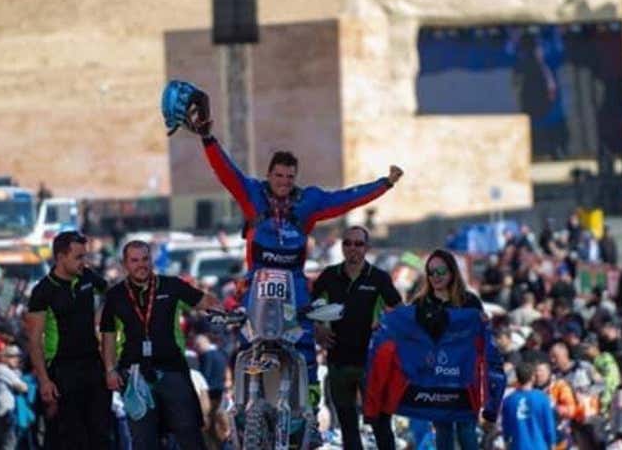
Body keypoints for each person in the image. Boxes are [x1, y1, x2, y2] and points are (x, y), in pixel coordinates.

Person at [188, 105, 402, 418]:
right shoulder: (252, 194)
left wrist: (384, 184)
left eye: (290, 176)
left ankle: (310, 412)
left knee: (303, 345)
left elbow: (345, 198)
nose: (284, 181)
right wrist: (207, 137)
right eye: (279, 175)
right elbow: (226, 172)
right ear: (269, 175)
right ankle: (241, 404)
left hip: (294, 288)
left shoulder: (309, 202)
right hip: (257, 289)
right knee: (246, 342)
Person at [100, 240, 220, 450]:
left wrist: (227, 307)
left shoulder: (171, 285)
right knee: (143, 441)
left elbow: (204, 301)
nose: (141, 265)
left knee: (190, 434)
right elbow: (108, 335)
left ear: (152, 260)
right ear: (125, 264)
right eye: (134, 260)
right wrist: (110, 369)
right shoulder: (115, 295)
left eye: (145, 259)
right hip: (135, 375)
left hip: (172, 369)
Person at [310, 225, 401, 450]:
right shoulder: (330, 275)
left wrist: (385, 325)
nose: (353, 248)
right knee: (348, 429)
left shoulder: (379, 278)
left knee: (380, 425)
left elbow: (400, 312)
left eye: (358, 244)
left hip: (370, 363)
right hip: (338, 361)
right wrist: (318, 328)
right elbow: (308, 308)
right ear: (342, 247)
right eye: (348, 243)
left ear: (367, 248)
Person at [25, 231, 112, 450]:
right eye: (79, 257)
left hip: (93, 365)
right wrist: (44, 380)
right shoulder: (43, 291)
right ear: (61, 257)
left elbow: (114, 296)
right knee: (71, 438)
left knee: (101, 435)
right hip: (63, 370)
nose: (85, 262)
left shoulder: (88, 278)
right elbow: (34, 341)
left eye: (86, 256)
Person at [413, 249, 487, 450]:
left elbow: (482, 335)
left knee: (466, 428)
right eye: (431, 272)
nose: (435, 276)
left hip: (465, 375)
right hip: (436, 375)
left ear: (452, 272)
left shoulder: (469, 301)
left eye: (441, 271)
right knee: (443, 430)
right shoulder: (420, 303)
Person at [502, 362, 557, 450]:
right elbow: (549, 425)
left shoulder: (508, 401)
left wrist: (506, 444)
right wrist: (552, 444)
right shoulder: (542, 398)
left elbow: (506, 429)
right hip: (539, 446)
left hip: (518, 446)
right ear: (532, 377)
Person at [0, 345, 30, 450]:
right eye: (13, 356)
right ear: (4, 358)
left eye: (18, 357)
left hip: (0, 412)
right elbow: (23, 387)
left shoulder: (6, 370)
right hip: (4, 413)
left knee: (3, 443)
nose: (17, 359)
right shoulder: (3, 370)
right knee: (9, 443)